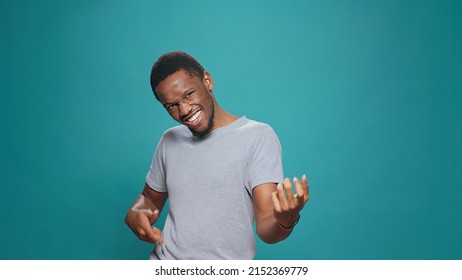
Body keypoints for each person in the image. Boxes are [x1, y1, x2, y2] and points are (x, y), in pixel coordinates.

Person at [125, 51, 310, 259]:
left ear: (207, 80)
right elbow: (149, 198)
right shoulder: (170, 140)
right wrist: (137, 212)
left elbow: (267, 227)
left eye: (188, 94)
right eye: (172, 106)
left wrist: (286, 219)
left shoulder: (257, 137)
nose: (184, 110)